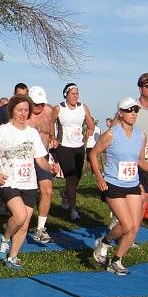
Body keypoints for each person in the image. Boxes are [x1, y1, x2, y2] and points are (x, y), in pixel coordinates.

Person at [88, 97, 148, 275]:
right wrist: (99, 178)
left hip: (132, 184)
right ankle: (105, 242)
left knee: (134, 227)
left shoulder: (141, 135)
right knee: (126, 224)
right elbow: (93, 155)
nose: (133, 114)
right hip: (113, 184)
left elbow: (140, 161)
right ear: (120, 113)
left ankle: (116, 260)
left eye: (135, 110)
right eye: (129, 110)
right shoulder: (111, 134)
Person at [0, 94, 51, 269]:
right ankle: (5, 239)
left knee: (24, 224)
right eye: (19, 110)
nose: (23, 114)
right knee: (19, 215)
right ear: (12, 111)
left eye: (26, 111)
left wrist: (51, 168)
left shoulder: (32, 133)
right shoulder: (2, 131)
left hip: (29, 183)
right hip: (9, 182)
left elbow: (40, 158)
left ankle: (12, 257)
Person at [51, 82, 95, 221]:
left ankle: (66, 193)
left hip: (79, 146)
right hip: (64, 146)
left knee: (77, 177)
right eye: (73, 94)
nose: (75, 96)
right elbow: (50, 122)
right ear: (66, 95)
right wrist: (53, 138)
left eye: (77, 94)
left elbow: (90, 123)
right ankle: (73, 210)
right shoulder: (59, 108)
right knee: (70, 177)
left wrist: (89, 132)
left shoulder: (83, 107)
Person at [26, 85, 57, 243]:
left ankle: (40, 228)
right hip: (26, 158)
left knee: (47, 190)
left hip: (43, 156)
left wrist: (52, 137)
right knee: (27, 195)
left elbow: (49, 127)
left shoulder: (49, 111)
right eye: (36, 103)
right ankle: (21, 224)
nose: (39, 106)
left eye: (41, 103)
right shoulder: (23, 114)